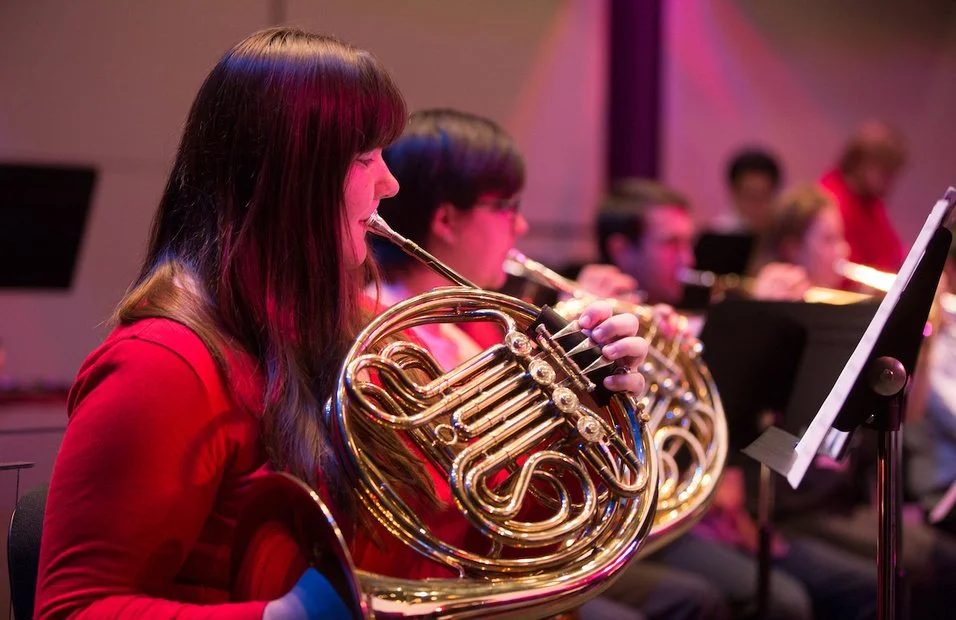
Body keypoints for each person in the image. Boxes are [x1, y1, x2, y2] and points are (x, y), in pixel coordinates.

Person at [33, 29, 651, 619]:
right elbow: (74, 609)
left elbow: (460, 536)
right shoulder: (160, 366)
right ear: (289, 180)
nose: (391, 181)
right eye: (365, 157)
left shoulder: (353, 335)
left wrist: (585, 417)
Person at [372, 108, 728, 620]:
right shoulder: (385, 343)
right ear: (446, 220)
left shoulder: (478, 324)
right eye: (506, 207)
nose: (522, 224)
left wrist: (606, 384)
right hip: (461, 581)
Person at [595, 177, 879, 620]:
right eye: (670, 243)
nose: (687, 260)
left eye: (689, 243)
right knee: (780, 600)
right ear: (620, 249)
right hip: (644, 528)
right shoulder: (592, 323)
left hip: (704, 516)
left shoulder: (686, 324)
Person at [819, 120, 907, 272]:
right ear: (860, 163)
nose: (890, 181)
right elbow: (842, 269)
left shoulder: (871, 202)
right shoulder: (829, 200)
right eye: (885, 172)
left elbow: (893, 254)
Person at [713, 148, 784, 237]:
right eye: (749, 196)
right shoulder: (720, 237)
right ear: (734, 193)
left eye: (763, 196)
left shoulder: (784, 237)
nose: (756, 204)